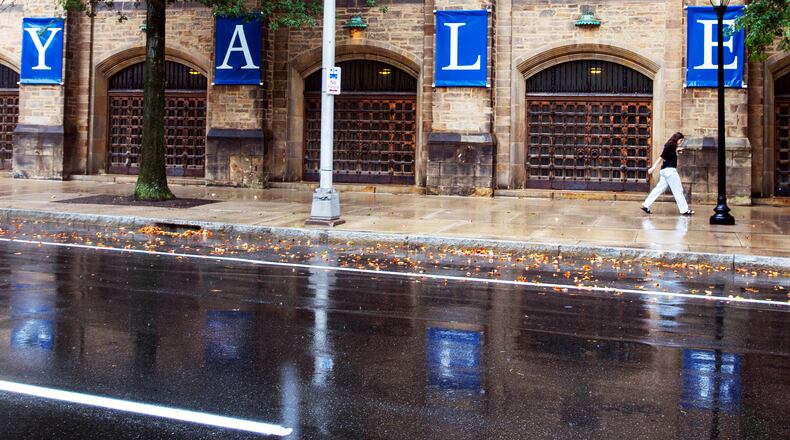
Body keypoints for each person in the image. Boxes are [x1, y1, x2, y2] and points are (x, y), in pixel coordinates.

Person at [640, 132, 694, 215]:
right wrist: (653, 168)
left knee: (658, 189)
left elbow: (668, 155)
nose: (681, 142)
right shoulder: (670, 146)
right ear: (677, 139)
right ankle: (684, 210)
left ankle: (646, 205)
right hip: (670, 171)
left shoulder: (670, 146)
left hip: (665, 171)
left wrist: (677, 150)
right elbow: (662, 157)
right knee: (678, 190)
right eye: (681, 140)